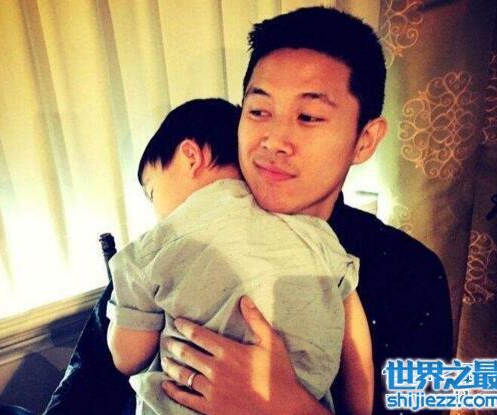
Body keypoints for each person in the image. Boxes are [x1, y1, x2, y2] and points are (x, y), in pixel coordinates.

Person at [44, 6, 453, 415]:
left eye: (309, 116)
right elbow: (77, 400)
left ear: (364, 139)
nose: (274, 140)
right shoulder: (171, 248)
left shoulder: (408, 275)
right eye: (258, 111)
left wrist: (290, 407)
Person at [106, 98, 366, 414]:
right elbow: (354, 337)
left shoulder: (154, 248)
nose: (156, 211)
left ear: (191, 156)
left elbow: (127, 357)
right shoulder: (309, 228)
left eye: (152, 192)